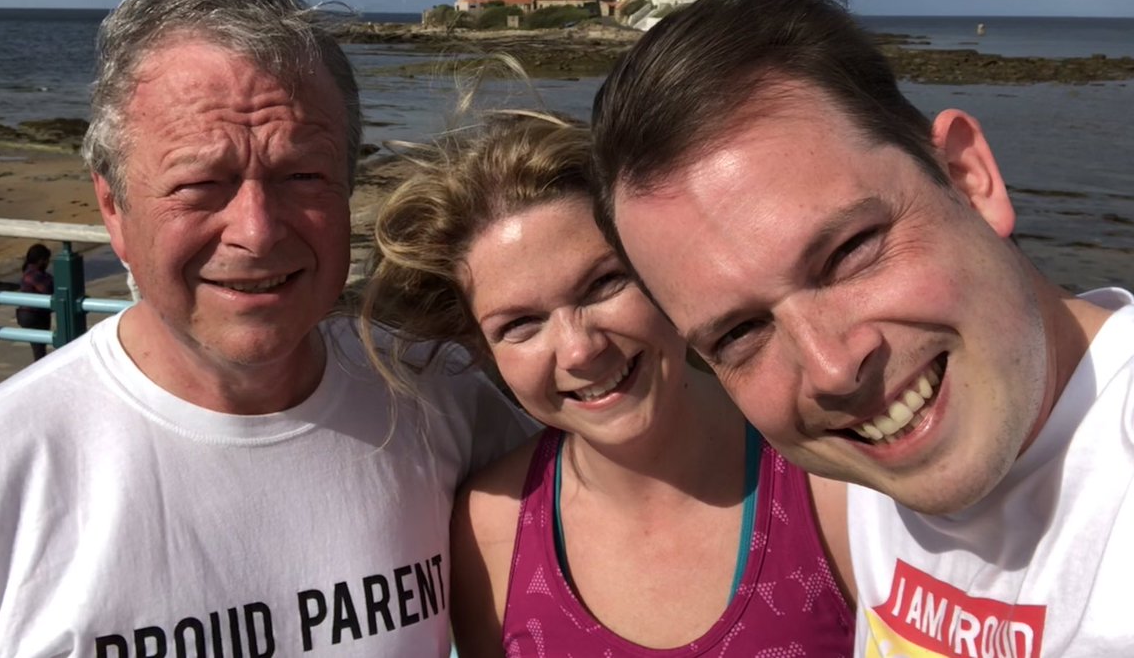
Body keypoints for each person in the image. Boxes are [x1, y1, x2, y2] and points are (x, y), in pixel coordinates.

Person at [0, 0, 533, 657]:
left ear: (347, 188)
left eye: (302, 175)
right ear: (112, 209)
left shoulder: (449, 400)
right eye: (200, 184)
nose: (257, 229)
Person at [590, 0, 1134, 657]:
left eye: (850, 252)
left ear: (970, 177)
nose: (833, 368)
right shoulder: (877, 464)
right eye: (740, 333)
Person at [361, 110, 855, 657]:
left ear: (663, 269)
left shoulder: (830, 474)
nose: (580, 349)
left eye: (603, 284)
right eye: (520, 325)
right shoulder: (489, 530)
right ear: (482, 351)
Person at [15, 242, 54, 360]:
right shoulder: (34, 275)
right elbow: (47, 289)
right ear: (41, 260)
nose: (48, 263)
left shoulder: (30, 272)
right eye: (46, 260)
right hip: (34, 315)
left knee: (38, 348)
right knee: (39, 351)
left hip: (28, 315)